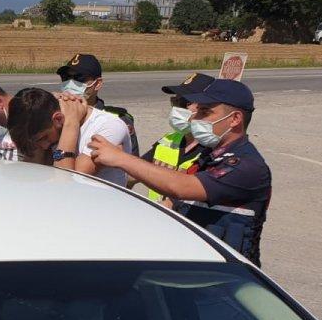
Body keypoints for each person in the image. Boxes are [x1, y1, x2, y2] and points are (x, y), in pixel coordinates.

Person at [89, 79, 271, 266]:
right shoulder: (208, 157)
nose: (194, 118)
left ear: (234, 119)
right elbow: (172, 204)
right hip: (196, 266)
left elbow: (181, 187)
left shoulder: (246, 166)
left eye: (205, 112)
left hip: (228, 277)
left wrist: (121, 158)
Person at [6, 87, 132, 184]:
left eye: (43, 138)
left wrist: (71, 124)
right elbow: (31, 176)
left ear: (58, 119)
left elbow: (66, 183)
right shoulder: (48, 129)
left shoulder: (109, 126)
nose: (43, 146)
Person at [138, 72, 213, 205]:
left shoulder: (215, 152)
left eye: (184, 102)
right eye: (175, 101)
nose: (177, 108)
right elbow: (135, 171)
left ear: (207, 108)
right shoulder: (168, 140)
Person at [57, 53, 139, 156]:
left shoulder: (116, 120)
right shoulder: (55, 114)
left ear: (98, 84)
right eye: (66, 77)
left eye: (79, 78)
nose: (70, 83)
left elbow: (132, 162)